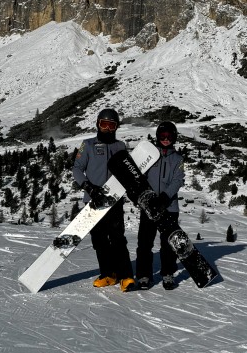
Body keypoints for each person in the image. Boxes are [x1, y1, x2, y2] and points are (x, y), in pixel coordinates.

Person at [72, 108, 136, 292]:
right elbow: (77, 168)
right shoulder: (88, 145)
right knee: (99, 240)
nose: (107, 129)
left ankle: (126, 276)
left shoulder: (120, 146)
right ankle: (108, 274)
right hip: (93, 199)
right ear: (98, 124)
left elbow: (127, 171)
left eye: (111, 125)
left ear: (116, 127)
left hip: (114, 200)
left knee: (117, 238)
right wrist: (88, 187)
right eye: (104, 124)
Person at [136, 121, 184, 290]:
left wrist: (164, 197)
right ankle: (143, 275)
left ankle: (168, 273)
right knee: (144, 243)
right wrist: (144, 197)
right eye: (162, 136)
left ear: (174, 138)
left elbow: (178, 180)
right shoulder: (150, 156)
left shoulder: (178, 159)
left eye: (169, 136)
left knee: (168, 243)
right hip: (149, 206)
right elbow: (139, 177)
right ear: (157, 137)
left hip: (169, 207)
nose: (165, 139)